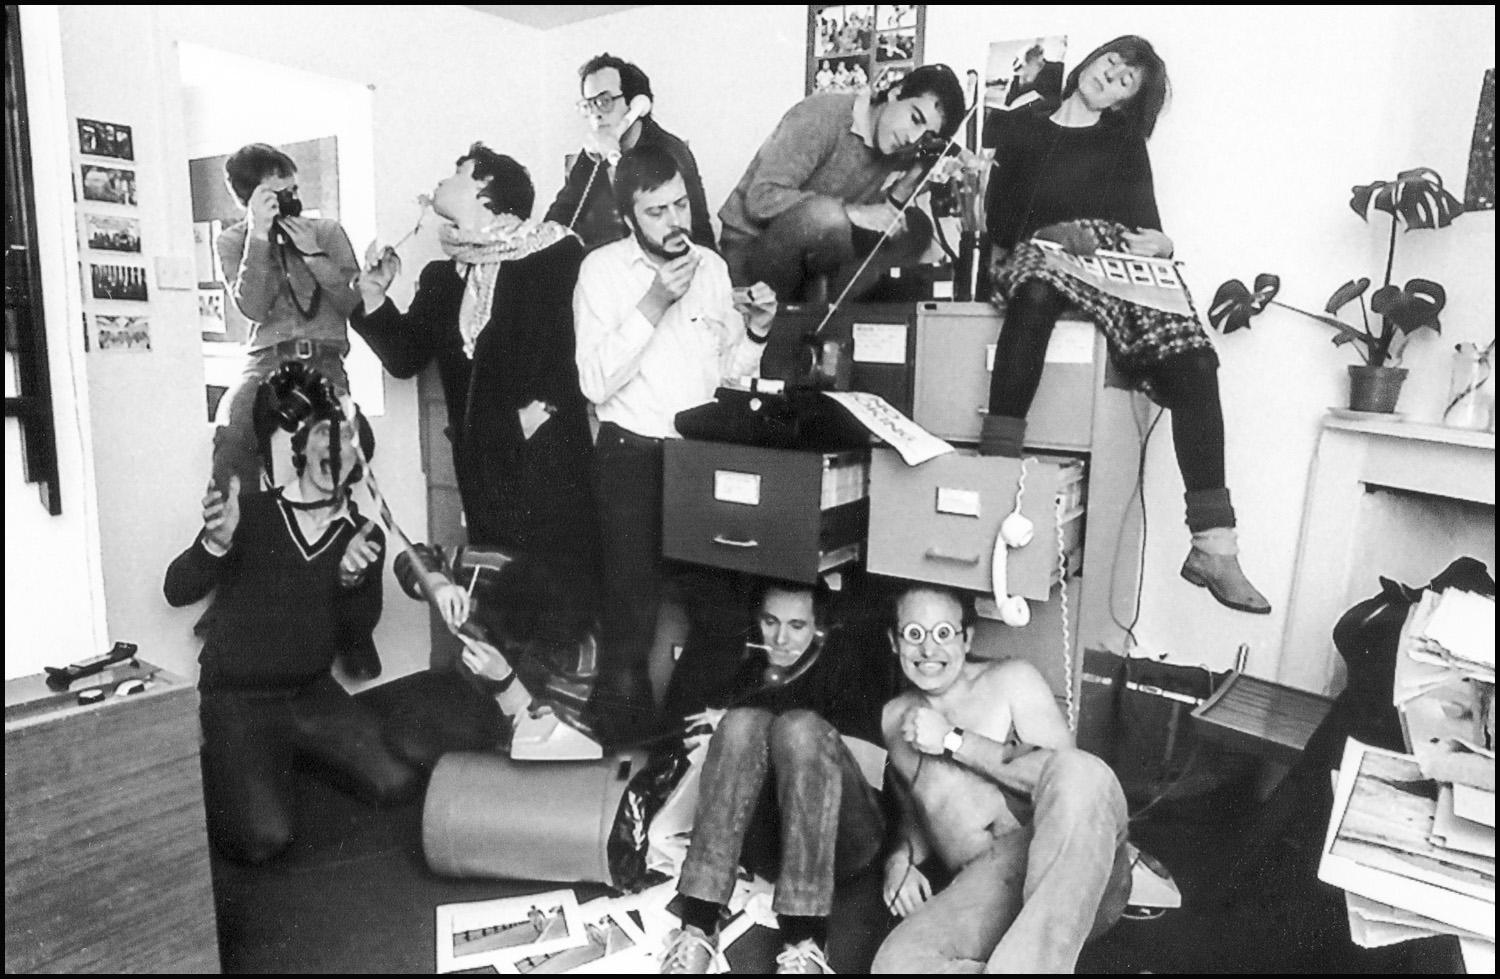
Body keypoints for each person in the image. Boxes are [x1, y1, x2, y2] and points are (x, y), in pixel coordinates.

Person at [978, 35, 1270, 614]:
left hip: (1110, 260)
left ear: (1123, 102)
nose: (1108, 77)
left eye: (1123, 82)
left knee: (1192, 358)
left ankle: (1215, 545)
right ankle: (995, 470)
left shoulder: (1124, 144)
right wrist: (1053, 235)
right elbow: (1003, 225)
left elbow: (1147, 227)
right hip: (1042, 252)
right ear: (1090, 59)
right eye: (1109, 63)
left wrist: (1162, 242)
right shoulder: (1021, 127)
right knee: (1035, 294)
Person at [573, 144, 778, 742]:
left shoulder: (711, 268)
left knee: (724, 618)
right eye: (656, 210)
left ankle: (670, 742)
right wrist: (656, 300)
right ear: (628, 217)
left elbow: (729, 373)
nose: (673, 221)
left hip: (698, 459)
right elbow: (594, 380)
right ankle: (616, 757)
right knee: (629, 618)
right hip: (629, 454)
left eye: (680, 204)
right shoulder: (601, 271)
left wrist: (759, 330)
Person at [164, 388, 420, 864]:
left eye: (349, 441)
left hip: (312, 695)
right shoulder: (253, 512)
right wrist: (215, 543)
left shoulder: (362, 533)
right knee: (265, 840)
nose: (336, 446)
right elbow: (176, 589)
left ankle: (284, 758)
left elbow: (357, 630)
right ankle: (254, 766)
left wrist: (352, 580)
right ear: (302, 449)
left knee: (398, 784)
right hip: (238, 698)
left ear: (357, 464)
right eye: (325, 432)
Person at [354, 144, 596, 602]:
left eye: (458, 172)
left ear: (486, 190)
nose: (442, 181)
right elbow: (404, 358)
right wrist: (373, 296)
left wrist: (529, 422)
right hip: (482, 467)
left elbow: (573, 351)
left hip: (546, 454)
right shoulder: (442, 278)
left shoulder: (555, 254)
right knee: (503, 594)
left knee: (562, 594)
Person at [870, 585, 1132, 973]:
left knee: (1080, 770)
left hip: (1073, 869)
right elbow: (918, 810)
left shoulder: (1012, 679)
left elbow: (1062, 777)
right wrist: (898, 861)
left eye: (943, 633)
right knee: (897, 964)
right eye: (914, 634)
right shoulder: (894, 718)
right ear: (895, 643)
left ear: (967, 638)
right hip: (992, 883)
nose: (929, 650)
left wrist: (952, 739)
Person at [659, 580, 887, 975]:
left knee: (797, 729)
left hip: (842, 838)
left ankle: (806, 941)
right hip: (773, 842)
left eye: (797, 626)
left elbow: (872, 777)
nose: (780, 639)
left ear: (819, 629)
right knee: (740, 723)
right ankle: (697, 926)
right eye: (770, 622)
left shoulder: (848, 665)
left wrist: (797, 734)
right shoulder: (749, 670)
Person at [718, 63, 966, 302]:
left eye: (926, 136)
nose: (912, 138)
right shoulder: (821, 114)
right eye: (915, 118)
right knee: (827, 216)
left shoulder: (896, 145)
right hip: (749, 250)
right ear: (895, 93)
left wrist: (914, 178)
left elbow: (877, 217)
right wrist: (852, 212)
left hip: (813, 258)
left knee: (915, 227)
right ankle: (817, 311)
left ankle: (837, 314)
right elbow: (760, 198)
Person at [213, 143, 361, 496]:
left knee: (332, 451)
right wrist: (259, 237)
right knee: (232, 431)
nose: (291, 201)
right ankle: (239, 537)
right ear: (250, 200)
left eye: (293, 191)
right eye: (278, 195)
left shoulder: (326, 232)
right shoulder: (232, 242)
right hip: (265, 360)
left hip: (323, 358)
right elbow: (251, 308)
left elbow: (352, 301)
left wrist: (313, 254)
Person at [544, 53, 715, 252]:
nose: (595, 114)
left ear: (636, 104)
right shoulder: (593, 153)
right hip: (602, 269)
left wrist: (615, 161)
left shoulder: (669, 151)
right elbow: (559, 218)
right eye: (588, 105)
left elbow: (697, 233)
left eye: (605, 101)